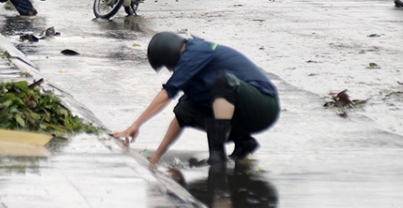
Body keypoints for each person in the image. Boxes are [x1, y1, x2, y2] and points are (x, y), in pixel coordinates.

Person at [113, 32, 280, 166]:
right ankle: (243, 142)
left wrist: (136, 124)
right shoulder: (194, 72)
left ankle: (217, 154)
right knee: (184, 108)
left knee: (224, 83)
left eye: (167, 66)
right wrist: (156, 156)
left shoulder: (195, 52)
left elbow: (167, 93)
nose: (171, 70)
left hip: (264, 106)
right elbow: (180, 118)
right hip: (243, 116)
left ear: (170, 56)